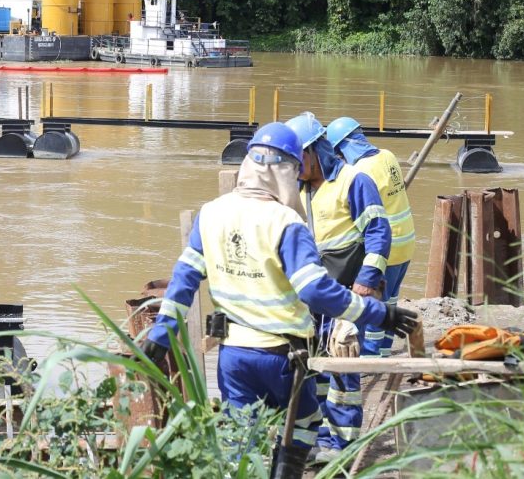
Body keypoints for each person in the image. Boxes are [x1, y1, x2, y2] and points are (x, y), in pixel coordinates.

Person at [141, 122, 417, 478]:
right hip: (282, 356)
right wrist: (380, 315)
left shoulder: (210, 213)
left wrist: (160, 337)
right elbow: (314, 290)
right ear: (286, 170)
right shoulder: (285, 222)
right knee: (302, 427)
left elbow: (183, 282)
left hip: (233, 356)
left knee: (241, 438)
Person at [285, 112, 391, 461]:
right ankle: (320, 436)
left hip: (348, 293)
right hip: (315, 294)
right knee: (314, 367)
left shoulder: (353, 181)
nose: (293, 166)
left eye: (297, 158)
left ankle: (343, 445)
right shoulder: (298, 190)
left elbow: (378, 233)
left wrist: (365, 282)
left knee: (343, 363)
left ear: (316, 151)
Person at [326, 116, 415, 358]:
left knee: (374, 305)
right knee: (390, 301)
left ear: (344, 146)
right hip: (406, 243)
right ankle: (384, 350)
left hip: (387, 248)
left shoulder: (360, 171)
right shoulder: (387, 155)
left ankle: (371, 356)